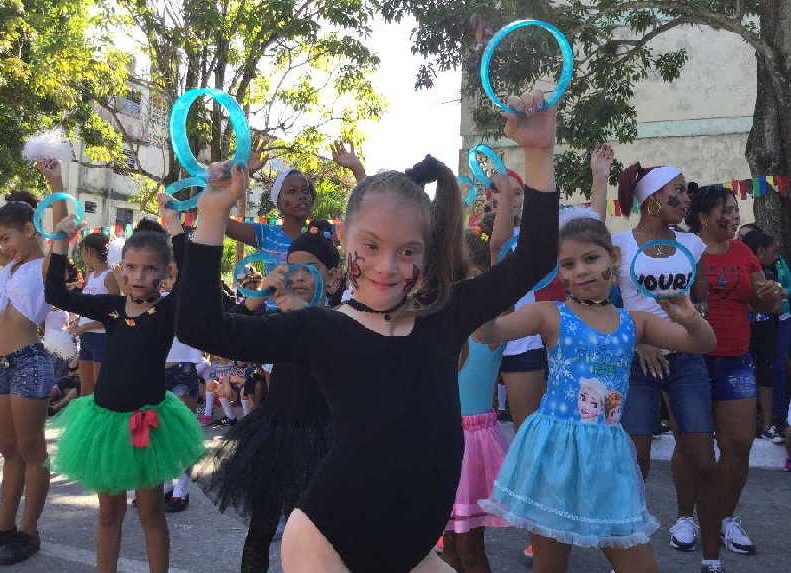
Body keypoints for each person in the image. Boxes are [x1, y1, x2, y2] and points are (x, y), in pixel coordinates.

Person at [177, 91, 558, 573]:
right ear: (344, 240)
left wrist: (540, 151)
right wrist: (212, 215)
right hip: (326, 544)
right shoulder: (319, 330)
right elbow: (200, 325)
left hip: (412, 549)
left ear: (427, 251)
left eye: (407, 251)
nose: (387, 266)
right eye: (371, 246)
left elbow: (538, 254)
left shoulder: (446, 314)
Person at [478, 216, 717, 573]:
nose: (581, 271)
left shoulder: (635, 322)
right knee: (550, 566)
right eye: (568, 265)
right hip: (554, 453)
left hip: (608, 457)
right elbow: (488, 333)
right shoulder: (549, 314)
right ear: (559, 273)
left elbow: (703, 343)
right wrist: (494, 291)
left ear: (613, 258)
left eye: (591, 259)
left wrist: (688, 317)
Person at [44, 193, 205, 573]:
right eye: (130, 268)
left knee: (151, 513)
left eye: (150, 270)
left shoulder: (166, 312)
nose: (138, 277)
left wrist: (175, 227)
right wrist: (60, 241)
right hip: (104, 424)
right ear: (120, 269)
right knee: (108, 514)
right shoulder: (110, 308)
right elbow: (55, 293)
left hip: (144, 424)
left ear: (166, 274)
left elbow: (193, 281)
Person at [197, 231, 340, 573]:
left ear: (333, 275)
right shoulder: (280, 320)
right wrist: (254, 297)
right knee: (259, 534)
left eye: (311, 268)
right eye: (293, 268)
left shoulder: (343, 322)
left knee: (315, 540)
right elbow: (226, 335)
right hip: (274, 436)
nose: (300, 276)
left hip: (326, 441)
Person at [610, 165, 720, 566]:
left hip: (687, 360)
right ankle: (626, 554)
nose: (687, 198)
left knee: (704, 461)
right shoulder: (618, 244)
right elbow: (603, 307)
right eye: (678, 191)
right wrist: (639, 340)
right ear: (653, 198)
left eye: (686, 191)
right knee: (633, 466)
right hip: (635, 364)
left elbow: (701, 302)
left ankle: (711, 558)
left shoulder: (693, 244)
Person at [685, 185, 784, 561]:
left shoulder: (744, 253)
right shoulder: (687, 251)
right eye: (725, 210)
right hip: (692, 359)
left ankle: (724, 517)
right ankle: (684, 518)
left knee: (739, 442)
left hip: (736, 358)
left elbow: (766, 302)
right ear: (704, 217)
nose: (733, 215)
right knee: (693, 448)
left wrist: (771, 294)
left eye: (734, 208)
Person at [440, 191, 521, 573]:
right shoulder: (437, 323)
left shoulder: (492, 322)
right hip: (437, 440)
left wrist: (505, 193)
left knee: (471, 550)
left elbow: (502, 251)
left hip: (472, 445)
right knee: (448, 550)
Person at [0, 165, 57, 565]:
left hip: (29, 362)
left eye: (6, 238)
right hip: (2, 365)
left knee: (32, 449)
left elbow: (63, 226)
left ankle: (29, 529)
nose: (3, 246)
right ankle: (4, 524)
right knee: (8, 449)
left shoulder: (44, 266)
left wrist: (54, 183)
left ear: (30, 229)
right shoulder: (7, 267)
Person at [742, 230, 785, 442]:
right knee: (743, 377)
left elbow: (776, 308)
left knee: (765, 375)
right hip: (743, 330)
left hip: (766, 329)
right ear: (759, 252)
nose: (775, 256)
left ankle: (767, 425)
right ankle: (745, 425)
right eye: (772, 252)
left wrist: (776, 296)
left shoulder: (772, 272)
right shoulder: (741, 272)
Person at [70, 232, 120, 396]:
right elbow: (87, 307)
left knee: (101, 389)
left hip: (101, 337)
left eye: (82, 251)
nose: (81, 256)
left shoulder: (110, 276)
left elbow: (115, 313)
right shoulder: (90, 275)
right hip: (86, 337)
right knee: (86, 389)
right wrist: (78, 321)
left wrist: (88, 326)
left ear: (90, 252)